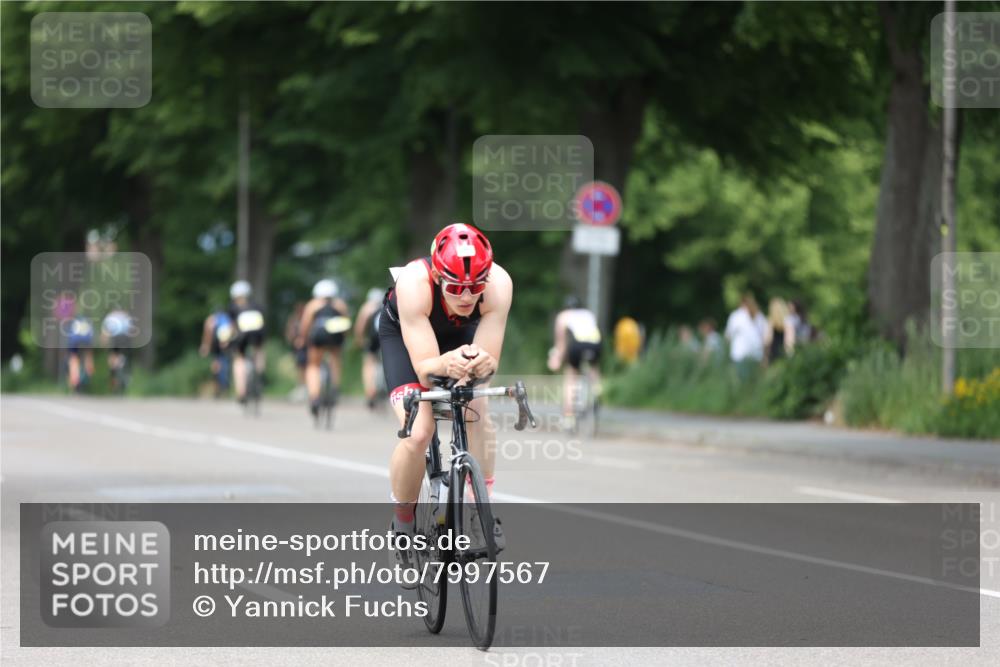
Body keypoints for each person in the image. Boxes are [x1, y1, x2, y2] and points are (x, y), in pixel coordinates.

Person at [379, 222, 512, 575]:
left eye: (474, 286)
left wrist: (482, 364)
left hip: (459, 333)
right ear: (438, 277)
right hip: (407, 336)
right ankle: (403, 526)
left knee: (477, 408)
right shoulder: (413, 283)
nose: (467, 296)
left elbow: (489, 364)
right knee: (419, 431)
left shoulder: (498, 284)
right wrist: (444, 365)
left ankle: (479, 506)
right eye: (455, 287)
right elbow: (425, 369)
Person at [296, 279, 351, 419]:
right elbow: (346, 323)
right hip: (335, 337)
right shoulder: (340, 305)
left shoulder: (313, 305)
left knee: (313, 365)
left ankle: (314, 397)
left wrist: (302, 339)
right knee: (335, 359)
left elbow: (305, 325)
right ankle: (334, 387)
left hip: (319, 337)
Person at [547, 295, 602, 431]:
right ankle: (597, 390)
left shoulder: (563, 316)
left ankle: (569, 417)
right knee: (594, 367)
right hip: (596, 344)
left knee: (571, 377)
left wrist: (557, 359)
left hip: (578, 345)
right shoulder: (588, 314)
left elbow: (561, 343)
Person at [227, 280, 266, 405]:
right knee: (259, 350)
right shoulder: (256, 306)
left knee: (239, 359)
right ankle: (259, 374)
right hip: (257, 334)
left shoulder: (233, 308)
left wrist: (228, 339)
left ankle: (241, 391)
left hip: (242, 336)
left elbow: (231, 326)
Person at [354, 287, 386, 410]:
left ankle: (370, 390)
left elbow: (360, 326)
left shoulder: (368, 307)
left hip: (373, 338)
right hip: (386, 337)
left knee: (369, 363)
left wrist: (360, 340)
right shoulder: (387, 305)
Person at [724, 293, 767, 381]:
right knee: (756, 381)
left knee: (743, 381)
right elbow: (765, 336)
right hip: (757, 354)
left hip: (740, 354)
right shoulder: (759, 315)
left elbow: (728, 336)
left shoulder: (736, 316)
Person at [199, 306, 236, 396]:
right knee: (226, 363)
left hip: (216, 343)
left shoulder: (210, 320)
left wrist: (205, 346)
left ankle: (219, 386)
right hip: (227, 343)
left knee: (216, 363)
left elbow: (207, 334)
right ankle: (225, 386)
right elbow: (233, 331)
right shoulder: (227, 319)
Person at [101, 309, 134, 393]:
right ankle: (125, 370)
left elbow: (105, 333)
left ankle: (113, 373)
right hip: (125, 339)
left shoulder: (110, 317)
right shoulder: (125, 315)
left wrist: (104, 345)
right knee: (125, 355)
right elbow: (131, 331)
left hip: (115, 339)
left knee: (112, 357)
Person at [65, 315, 95, 393]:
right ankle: (89, 370)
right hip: (86, 342)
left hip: (75, 342)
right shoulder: (87, 322)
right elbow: (91, 336)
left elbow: (70, 337)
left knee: (73, 359)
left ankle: (75, 382)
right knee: (88, 355)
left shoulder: (73, 322)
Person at [285, 302, 307, 401]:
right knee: (300, 366)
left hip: (309, 346)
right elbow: (289, 332)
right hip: (298, 348)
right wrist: (293, 340)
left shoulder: (308, 318)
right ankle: (302, 387)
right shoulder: (293, 319)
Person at [764, 297, 791, 364]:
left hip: (772, 355)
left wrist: (765, 357)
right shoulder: (788, 322)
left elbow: (767, 341)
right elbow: (789, 342)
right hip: (783, 354)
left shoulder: (770, 322)